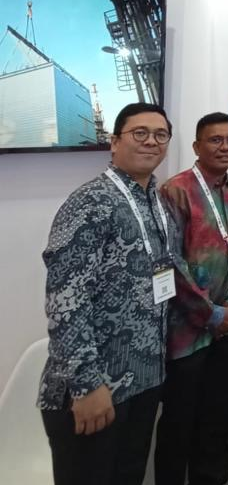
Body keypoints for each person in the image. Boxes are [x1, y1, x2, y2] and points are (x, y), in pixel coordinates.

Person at [39, 102, 177, 485]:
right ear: (114, 143)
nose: (151, 141)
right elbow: (66, 300)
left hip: (144, 379)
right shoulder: (89, 202)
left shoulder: (156, 202)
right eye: (140, 133)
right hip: (95, 390)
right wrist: (86, 385)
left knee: (129, 475)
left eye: (160, 135)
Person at [154, 112, 228, 485]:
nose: (225, 146)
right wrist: (208, 313)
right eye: (215, 140)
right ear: (197, 146)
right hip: (188, 329)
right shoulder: (175, 191)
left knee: (218, 412)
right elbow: (168, 263)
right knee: (180, 417)